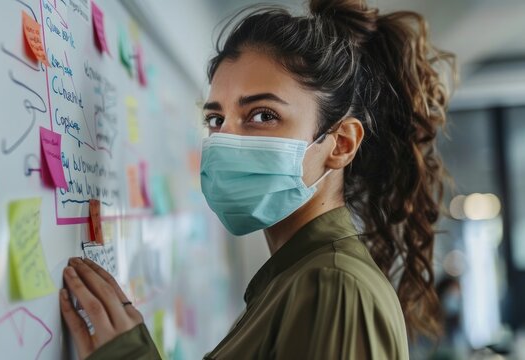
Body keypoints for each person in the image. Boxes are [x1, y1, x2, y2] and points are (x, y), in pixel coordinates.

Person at [58, 0, 455, 358]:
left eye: (262, 115)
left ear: (341, 144)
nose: (225, 140)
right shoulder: (293, 278)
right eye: (216, 120)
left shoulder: (332, 287)